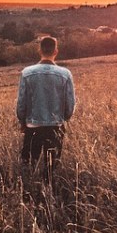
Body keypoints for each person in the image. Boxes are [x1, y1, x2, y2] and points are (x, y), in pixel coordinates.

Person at [16, 36, 76, 180]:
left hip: (33, 126)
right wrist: (63, 119)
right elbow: (70, 104)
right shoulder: (65, 74)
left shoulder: (27, 72)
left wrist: (22, 122)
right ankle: (48, 193)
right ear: (56, 51)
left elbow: (21, 103)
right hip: (56, 126)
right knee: (51, 167)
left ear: (39, 50)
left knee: (30, 165)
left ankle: (30, 195)